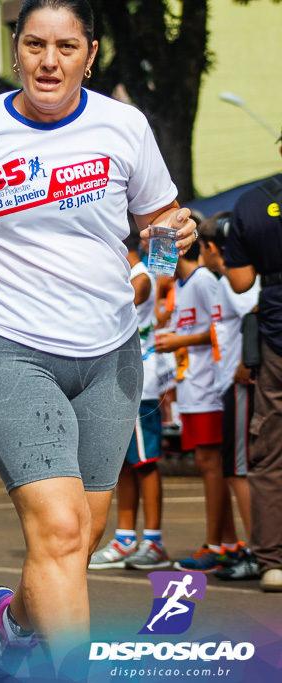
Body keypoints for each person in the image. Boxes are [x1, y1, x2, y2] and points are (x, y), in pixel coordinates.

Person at [0, 0, 197, 670]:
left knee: (81, 533)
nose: (49, 61)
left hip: (109, 355)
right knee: (63, 527)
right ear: (16, 48)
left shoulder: (124, 126)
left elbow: (161, 225)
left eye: (66, 47)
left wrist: (165, 254)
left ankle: (11, 622)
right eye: (35, 45)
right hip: (9, 346)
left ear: (90, 53)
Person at [155, 241, 242, 572]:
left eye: (157, 246)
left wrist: (179, 340)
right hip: (190, 385)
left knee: (211, 464)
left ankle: (217, 544)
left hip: (208, 385)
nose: (153, 255)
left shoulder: (205, 279)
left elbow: (220, 330)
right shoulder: (179, 284)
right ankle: (228, 542)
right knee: (208, 464)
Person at [89, 230, 170, 570]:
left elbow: (124, 302)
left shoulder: (140, 278)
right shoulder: (127, 275)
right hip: (116, 378)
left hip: (139, 381)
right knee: (121, 462)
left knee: (144, 462)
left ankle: (153, 541)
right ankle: (125, 539)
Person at [222, 139, 282, 593]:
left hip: (277, 338)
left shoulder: (252, 203)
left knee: (270, 453)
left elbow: (241, 281)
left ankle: (273, 562)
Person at [199, 213, 261, 580]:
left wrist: (246, 362)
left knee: (239, 470)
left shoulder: (237, 282)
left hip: (240, 383)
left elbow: (254, 311)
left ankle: (258, 551)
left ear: (210, 248)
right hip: (231, 383)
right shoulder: (230, 280)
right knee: (240, 468)